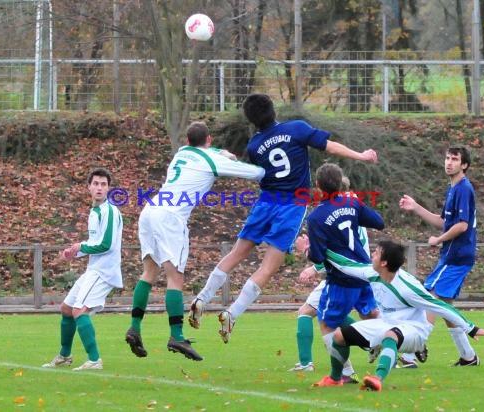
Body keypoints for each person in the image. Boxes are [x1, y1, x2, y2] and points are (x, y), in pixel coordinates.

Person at [188, 93, 378, 343]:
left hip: (265, 202)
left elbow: (259, 171)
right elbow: (330, 146)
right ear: (273, 110)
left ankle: (201, 298)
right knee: (267, 268)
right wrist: (361, 156)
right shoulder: (296, 129)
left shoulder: (254, 145)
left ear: (251, 120)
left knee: (236, 253)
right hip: (292, 205)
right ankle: (231, 314)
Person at [125, 121, 265, 361]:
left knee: (148, 273)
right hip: (170, 217)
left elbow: (205, 151)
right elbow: (255, 173)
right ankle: (176, 336)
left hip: (150, 210)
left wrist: (218, 152)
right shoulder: (210, 160)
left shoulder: (182, 153)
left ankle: (135, 327)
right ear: (208, 139)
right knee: (174, 277)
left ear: (188, 140)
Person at [322, 240, 484, 391]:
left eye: (376, 253)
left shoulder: (407, 288)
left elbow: (440, 306)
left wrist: (471, 328)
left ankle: (377, 379)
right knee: (339, 336)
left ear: (384, 262)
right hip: (386, 323)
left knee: (390, 336)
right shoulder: (373, 273)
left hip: (415, 330)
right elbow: (345, 264)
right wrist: (319, 249)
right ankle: (335, 379)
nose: (372, 255)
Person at [295, 163, 385, 387]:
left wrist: (304, 248)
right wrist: (353, 210)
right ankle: (387, 342)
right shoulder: (352, 202)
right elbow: (378, 222)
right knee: (371, 313)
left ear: (318, 186)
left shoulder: (316, 217)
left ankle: (340, 375)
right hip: (364, 272)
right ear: (340, 182)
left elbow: (317, 257)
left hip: (342, 279)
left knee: (327, 324)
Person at [399, 146, 479, 366]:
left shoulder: (463, 189)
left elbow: (462, 226)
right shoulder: (453, 188)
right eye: (447, 157)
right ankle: (468, 356)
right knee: (444, 306)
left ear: (464, 165)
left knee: (429, 299)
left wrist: (439, 239)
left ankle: (412, 351)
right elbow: (444, 222)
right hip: (453, 255)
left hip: (456, 255)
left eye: (454, 159)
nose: (449, 162)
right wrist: (416, 207)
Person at [42, 167, 123, 371]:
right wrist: (74, 252)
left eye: (103, 184)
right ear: (88, 187)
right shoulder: (94, 212)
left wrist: (81, 247)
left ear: (108, 189)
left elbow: (106, 245)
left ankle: (95, 360)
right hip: (94, 269)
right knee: (67, 309)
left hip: (104, 271)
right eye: (95, 183)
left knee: (80, 310)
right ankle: (64, 355)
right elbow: (94, 242)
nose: (99, 187)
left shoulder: (110, 211)